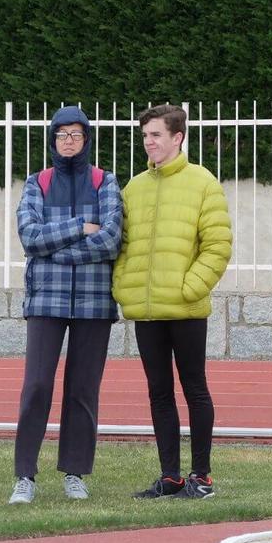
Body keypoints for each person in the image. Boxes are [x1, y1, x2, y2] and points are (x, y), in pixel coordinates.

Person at [113, 104, 232, 500]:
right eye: (145, 135)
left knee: (195, 389)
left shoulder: (203, 183)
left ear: (177, 137)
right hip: (147, 311)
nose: (148, 142)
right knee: (159, 392)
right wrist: (124, 287)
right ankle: (171, 477)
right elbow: (123, 245)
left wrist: (189, 287)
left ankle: (202, 478)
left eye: (156, 135)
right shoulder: (134, 188)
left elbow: (217, 246)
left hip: (185, 308)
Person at [10, 106, 122, 505]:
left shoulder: (105, 181)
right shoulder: (37, 182)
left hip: (95, 303)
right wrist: (78, 228)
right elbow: (29, 237)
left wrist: (56, 252)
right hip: (45, 300)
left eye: (75, 134)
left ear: (86, 139)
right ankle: (25, 475)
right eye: (62, 135)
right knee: (37, 386)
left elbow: (111, 239)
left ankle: (75, 473)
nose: (68, 141)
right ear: (52, 140)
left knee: (82, 390)